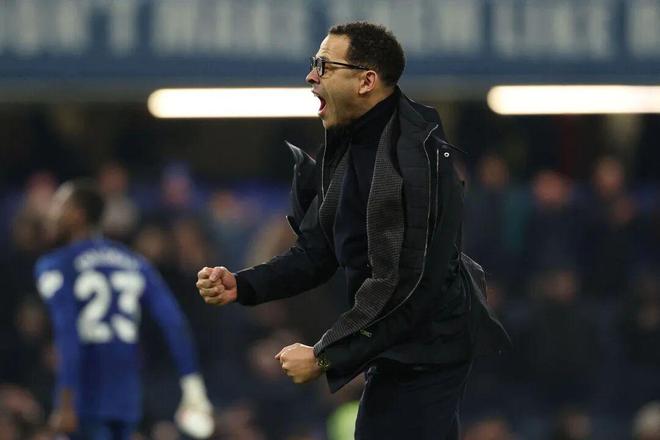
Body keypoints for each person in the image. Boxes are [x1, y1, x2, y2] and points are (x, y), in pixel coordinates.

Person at [197, 22, 509, 439]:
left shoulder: (411, 161)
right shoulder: (349, 142)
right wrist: (244, 284)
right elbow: (317, 251)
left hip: (428, 350)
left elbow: (405, 286)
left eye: (325, 66)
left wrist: (324, 356)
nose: (311, 76)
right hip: (396, 347)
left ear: (366, 81)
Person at [35, 179, 214, 440]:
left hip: (85, 394)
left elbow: (68, 333)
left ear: (77, 215)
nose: (51, 215)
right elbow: (174, 323)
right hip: (126, 397)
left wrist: (65, 400)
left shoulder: (57, 264)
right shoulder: (135, 262)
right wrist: (193, 386)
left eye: (58, 206)